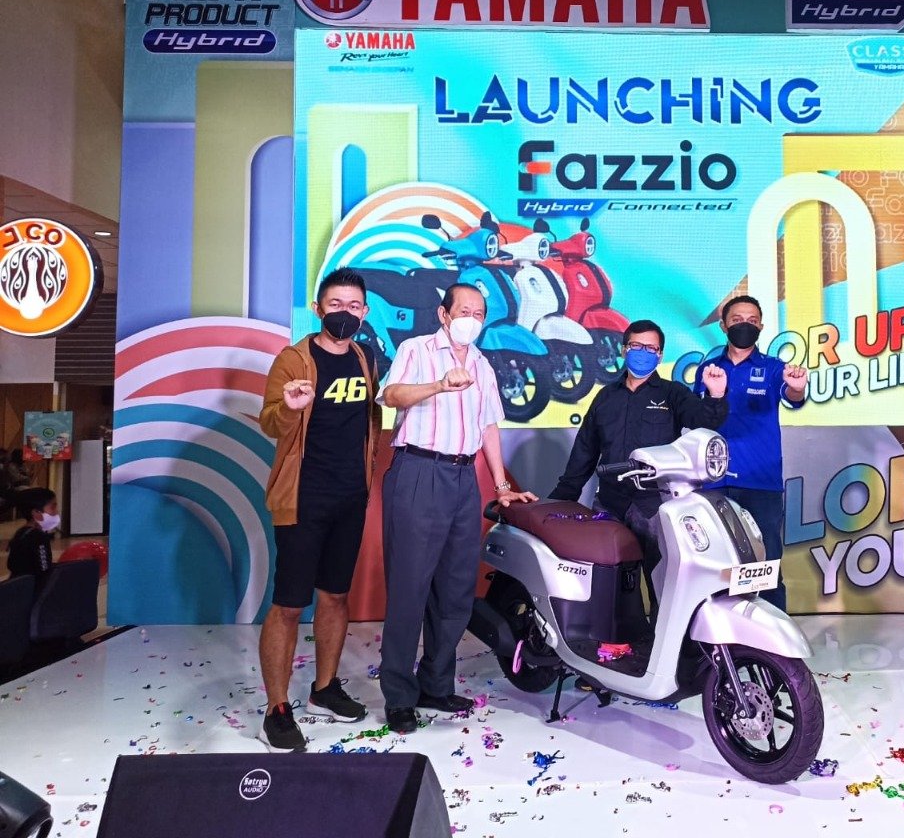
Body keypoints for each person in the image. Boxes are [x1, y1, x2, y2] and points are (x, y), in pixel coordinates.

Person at [378, 282, 536, 736]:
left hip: (464, 479)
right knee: (409, 588)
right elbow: (391, 396)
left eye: (479, 313)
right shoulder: (416, 349)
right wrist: (438, 385)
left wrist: (501, 485)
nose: (472, 319)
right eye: (464, 311)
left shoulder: (483, 363)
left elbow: (488, 426)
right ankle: (399, 695)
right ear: (444, 315)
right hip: (418, 471)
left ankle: (435, 684)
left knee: (456, 589)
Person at [257, 268, 381, 753]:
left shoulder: (366, 358)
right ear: (317, 308)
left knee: (335, 596)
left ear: (364, 312)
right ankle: (276, 708)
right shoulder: (293, 359)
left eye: (353, 306)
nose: (344, 313)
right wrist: (290, 407)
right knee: (289, 604)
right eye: (335, 305)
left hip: (351, 497)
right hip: (303, 498)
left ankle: (324, 688)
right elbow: (271, 423)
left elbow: (371, 416)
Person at [549, 319, 729, 606]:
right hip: (609, 505)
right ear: (624, 350)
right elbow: (585, 450)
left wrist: (716, 395)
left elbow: (704, 421)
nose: (642, 353)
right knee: (609, 585)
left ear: (660, 355)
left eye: (650, 348)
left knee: (663, 583)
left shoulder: (673, 393)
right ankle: (619, 635)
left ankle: (661, 636)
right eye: (636, 346)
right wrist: (561, 498)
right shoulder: (606, 397)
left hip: (655, 506)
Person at [695, 295, 808, 610]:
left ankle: (772, 633)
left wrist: (797, 386)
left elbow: (793, 396)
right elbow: (698, 418)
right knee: (718, 563)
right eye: (737, 320)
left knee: (766, 563)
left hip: (761, 481)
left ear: (761, 326)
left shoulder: (773, 368)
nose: (744, 325)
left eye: (752, 321)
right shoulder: (709, 369)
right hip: (714, 481)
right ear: (723, 326)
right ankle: (721, 630)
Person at [5, 487, 58, 582]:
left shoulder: (21, 532)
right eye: (53, 507)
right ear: (36, 512)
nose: (56, 512)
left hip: (17, 585)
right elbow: (44, 571)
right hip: (30, 587)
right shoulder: (38, 537)